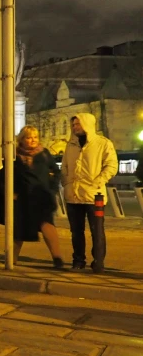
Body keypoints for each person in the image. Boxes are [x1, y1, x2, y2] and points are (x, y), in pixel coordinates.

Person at [61, 113, 118, 273]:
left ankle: (98, 262)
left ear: (87, 124)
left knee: (97, 230)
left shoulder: (102, 143)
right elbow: (64, 165)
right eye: (73, 125)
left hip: (94, 195)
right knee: (76, 231)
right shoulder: (70, 145)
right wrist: (66, 181)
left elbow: (111, 165)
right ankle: (78, 260)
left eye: (78, 124)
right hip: (73, 195)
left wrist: (99, 180)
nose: (74, 127)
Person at [12, 126, 64, 268]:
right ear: (22, 140)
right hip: (23, 198)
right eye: (29, 137)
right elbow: (10, 175)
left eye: (35, 137)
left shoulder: (44, 153)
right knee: (19, 229)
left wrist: (52, 189)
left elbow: (56, 172)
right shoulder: (15, 155)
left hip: (42, 196)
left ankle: (57, 258)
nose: (33, 140)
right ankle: (11, 259)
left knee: (47, 225)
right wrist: (13, 192)